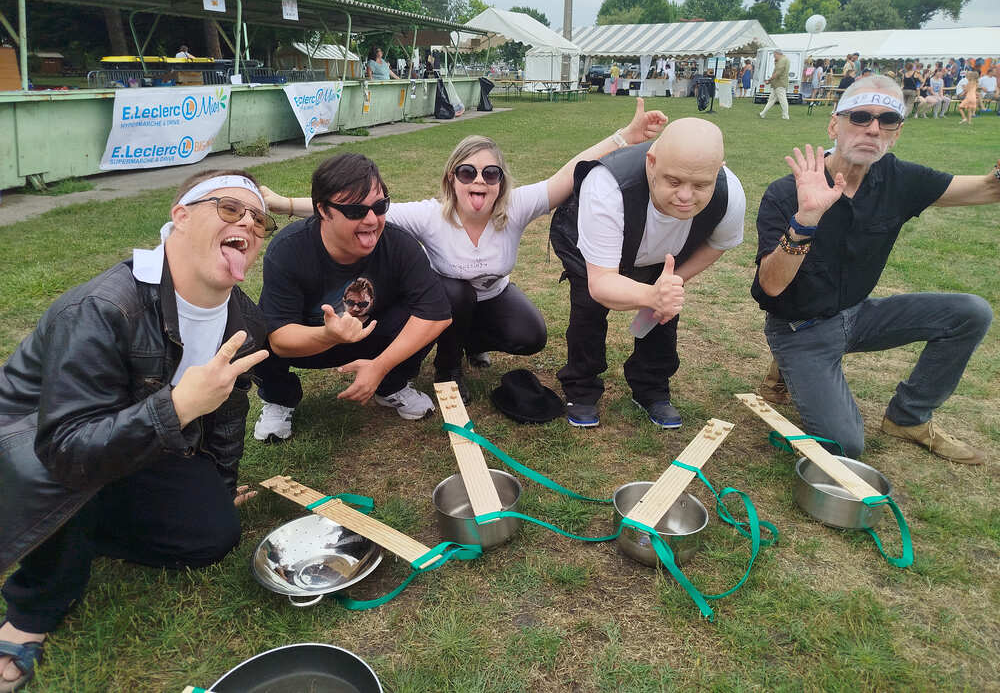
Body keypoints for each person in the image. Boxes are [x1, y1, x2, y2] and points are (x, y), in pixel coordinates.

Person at [0, 171, 273, 691]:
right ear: (181, 216)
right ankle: (32, 609)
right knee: (73, 482)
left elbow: (228, 416)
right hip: (36, 448)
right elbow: (64, 446)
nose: (248, 223)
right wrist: (176, 407)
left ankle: (90, 527)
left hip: (135, 444)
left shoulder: (243, 316)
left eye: (259, 219)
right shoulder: (104, 308)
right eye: (230, 209)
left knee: (213, 537)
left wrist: (215, 488)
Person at [263, 100, 669, 404]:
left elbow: (569, 172)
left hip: (493, 296)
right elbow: (354, 206)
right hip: (448, 300)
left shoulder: (517, 207)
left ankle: (473, 343)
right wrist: (284, 203)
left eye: (490, 174)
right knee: (455, 293)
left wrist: (625, 138)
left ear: (501, 181)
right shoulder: (428, 215)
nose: (480, 181)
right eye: (467, 172)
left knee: (532, 336)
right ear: (452, 179)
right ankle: (447, 366)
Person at [752, 75, 997, 464]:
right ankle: (787, 365)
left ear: (896, 133)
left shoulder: (897, 179)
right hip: (800, 329)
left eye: (887, 120)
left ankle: (909, 417)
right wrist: (806, 219)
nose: (873, 128)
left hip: (858, 315)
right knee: (844, 448)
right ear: (835, 124)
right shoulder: (787, 191)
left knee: (971, 312)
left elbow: (986, 188)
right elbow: (770, 287)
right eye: (861, 116)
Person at [549, 118, 747, 429]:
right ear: (651, 163)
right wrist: (650, 294)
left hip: (663, 252)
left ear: (719, 169)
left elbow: (718, 243)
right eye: (673, 181)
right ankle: (581, 387)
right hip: (594, 246)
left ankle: (651, 387)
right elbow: (601, 284)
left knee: (665, 312)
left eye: (700, 185)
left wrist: (671, 283)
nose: (685, 196)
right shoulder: (607, 186)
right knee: (589, 308)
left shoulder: (730, 194)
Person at [252, 154, 452, 440]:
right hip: (311, 342)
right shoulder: (288, 250)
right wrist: (329, 335)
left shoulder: (399, 244)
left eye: (380, 206)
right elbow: (280, 340)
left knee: (426, 305)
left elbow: (437, 313)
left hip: (372, 338)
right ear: (323, 210)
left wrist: (380, 367)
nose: (372, 219)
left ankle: (391, 385)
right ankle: (279, 398)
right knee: (253, 324)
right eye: (356, 211)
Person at [759, 48, 790, 120]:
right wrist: (775, 62)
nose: (774, 56)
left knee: (782, 100)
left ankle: (785, 116)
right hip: (777, 83)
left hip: (780, 83)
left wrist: (769, 80)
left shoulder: (782, 60)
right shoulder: (784, 60)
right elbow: (778, 71)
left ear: (777, 54)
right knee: (771, 99)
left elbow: (778, 73)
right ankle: (762, 113)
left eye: (774, 55)